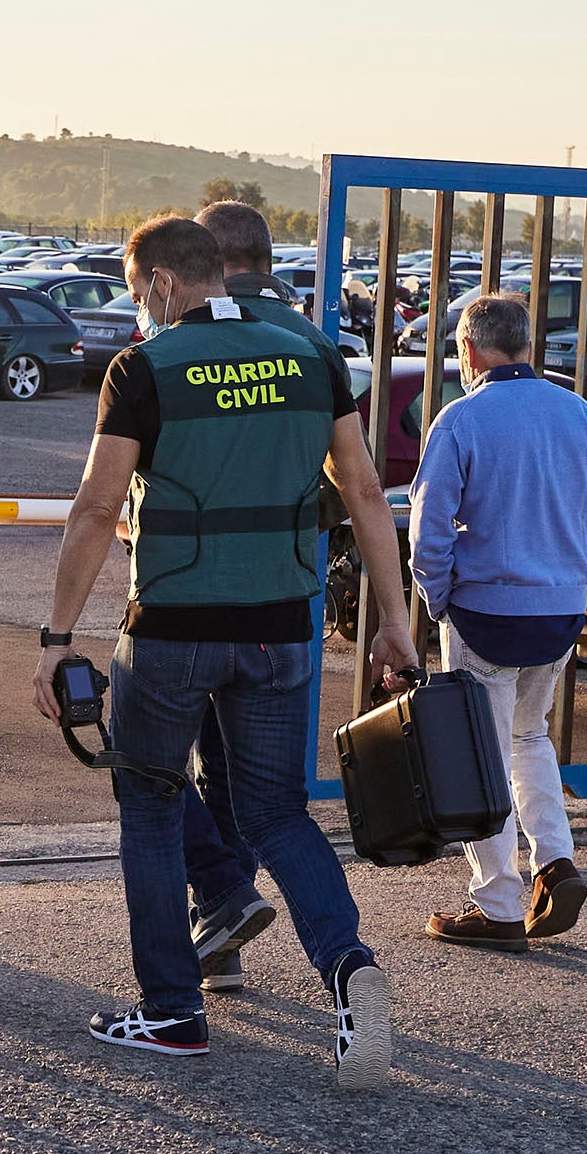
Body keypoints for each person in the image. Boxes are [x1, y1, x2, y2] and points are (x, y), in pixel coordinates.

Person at [32, 217, 415, 1087]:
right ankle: (349, 966)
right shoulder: (313, 355)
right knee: (277, 813)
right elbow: (363, 489)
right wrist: (394, 620)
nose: (139, 307)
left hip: (171, 631)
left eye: (137, 291)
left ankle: (172, 1012)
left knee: (151, 806)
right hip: (279, 628)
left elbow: (97, 509)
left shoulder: (145, 367)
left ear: (165, 282)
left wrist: (56, 639)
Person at [164, 200, 358, 995]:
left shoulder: (176, 338)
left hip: (183, 596)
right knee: (268, 795)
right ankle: (328, 956)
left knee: (154, 763)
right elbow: (352, 485)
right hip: (285, 597)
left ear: (203, 258)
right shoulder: (314, 345)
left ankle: (220, 911)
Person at [408, 296, 587, 952]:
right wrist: (573, 573)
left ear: (469, 349)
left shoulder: (461, 419)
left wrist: (438, 600)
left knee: (481, 754)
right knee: (529, 736)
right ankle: (555, 863)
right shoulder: (580, 414)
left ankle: (498, 904)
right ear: (527, 345)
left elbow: (427, 531)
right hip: (559, 611)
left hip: (483, 612)